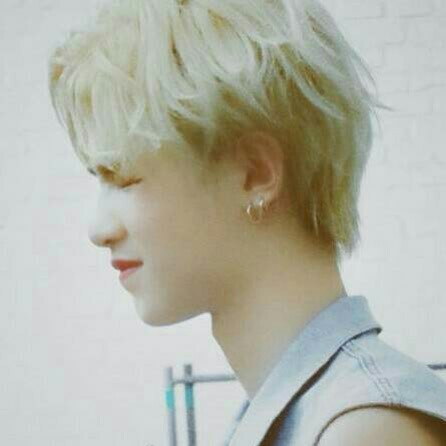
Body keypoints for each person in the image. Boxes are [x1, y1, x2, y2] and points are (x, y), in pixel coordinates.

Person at [47, 0, 446, 444]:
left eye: (125, 177)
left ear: (255, 173)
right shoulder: (299, 413)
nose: (99, 230)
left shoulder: (362, 428)